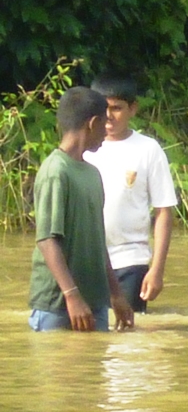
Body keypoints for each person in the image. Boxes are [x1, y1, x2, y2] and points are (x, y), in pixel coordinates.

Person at [28, 87, 135, 331]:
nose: (106, 132)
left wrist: (116, 294)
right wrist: (72, 295)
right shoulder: (55, 171)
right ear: (93, 123)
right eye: (104, 124)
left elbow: (98, 241)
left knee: (90, 368)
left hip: (94, 302)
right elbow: (47, 240)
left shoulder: (92, 174)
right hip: (57, 304)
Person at [84, 72, 178, 312]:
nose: (109, 116)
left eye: (117, 108)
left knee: (130, 341)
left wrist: (156, 270)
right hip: (88, 262)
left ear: (133, 109)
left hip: (131, 261)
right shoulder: (84, 148)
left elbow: (163, 211)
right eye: (103, 108)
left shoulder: (148, 149)